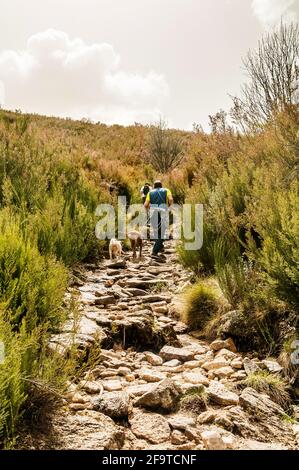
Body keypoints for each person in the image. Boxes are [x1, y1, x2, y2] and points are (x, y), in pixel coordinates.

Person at [144, 180, 173, 257]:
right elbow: (170, 200)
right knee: (162, 233)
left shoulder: (150, 193)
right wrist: (168, 206)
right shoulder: (166, 190)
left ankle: (160, 247)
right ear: (161, 185)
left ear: (154, 186)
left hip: (153, 213)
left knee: (156, 232)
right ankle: (154, 251)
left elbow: (146, 205)